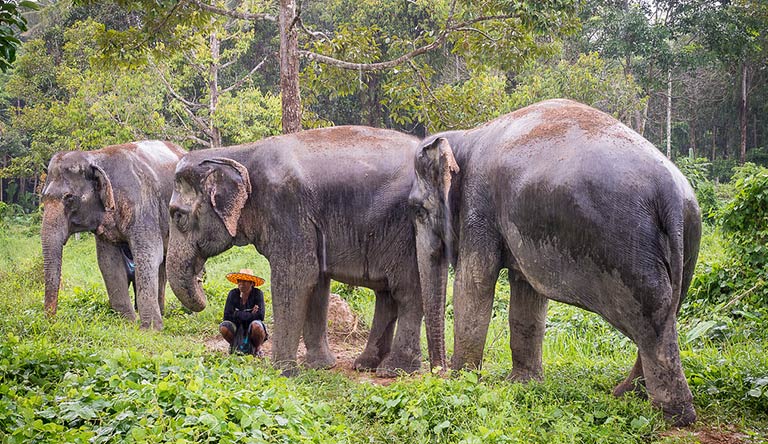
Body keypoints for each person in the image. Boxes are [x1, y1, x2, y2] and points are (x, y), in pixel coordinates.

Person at [219, 268, 268, 356]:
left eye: (245, 281)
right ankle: (234, 346)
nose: (241, 284)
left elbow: (261, 316)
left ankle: (257, 348)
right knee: (224, 327)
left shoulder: (258, 294)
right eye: (239, 281)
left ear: (252, 283)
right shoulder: (233, 294)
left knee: (256, 326)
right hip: (237, 326)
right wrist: (250, 314)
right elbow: (226, 315)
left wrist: (236, 313)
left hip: (251, 326)